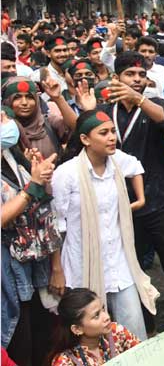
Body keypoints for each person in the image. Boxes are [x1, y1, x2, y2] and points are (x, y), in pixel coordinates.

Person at [52, 110, 158, 340]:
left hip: (120, 264)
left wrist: (139, 200)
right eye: (104, 133)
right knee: (91, 336)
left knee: (133, 334)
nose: (112, 137)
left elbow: (137, 166)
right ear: (85, 139)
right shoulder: (66, 174)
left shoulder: (117, 160)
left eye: (112, 131)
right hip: (83, 266)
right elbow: (56, 226)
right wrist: (57, 269)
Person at [1, 106, 58, 366]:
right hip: (7, 272)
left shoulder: (11, 154)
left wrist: (40, 176)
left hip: (34, 266)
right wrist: (30, 187)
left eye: (5, 116)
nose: (7, 121)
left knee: (42, 340)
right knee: (18, 342)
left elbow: (44, 208)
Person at [49, 288, 141, 366]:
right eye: (96, 316)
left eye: (103, 309)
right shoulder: (65, 362)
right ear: (77, 329)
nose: (107, 317)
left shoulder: (116, 331)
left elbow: (144, 354)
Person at [2, 76, 69, 159]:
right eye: (17, 97)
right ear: (7, 101)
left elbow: (76, 129)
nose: (24, 102)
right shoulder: (4, 132)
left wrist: (58, 99)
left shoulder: (49, 123)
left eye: (29, 97)